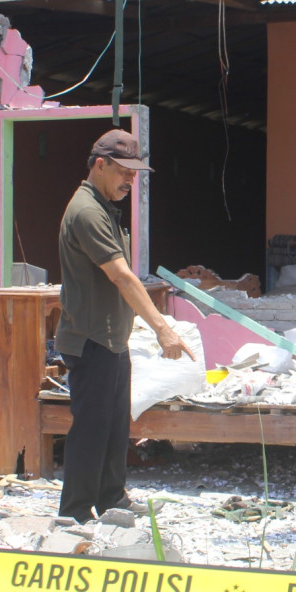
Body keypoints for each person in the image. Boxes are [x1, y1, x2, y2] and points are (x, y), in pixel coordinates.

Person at [54, 128, 195, 523]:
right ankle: (76, 512)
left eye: (135, 175)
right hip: (91, 339)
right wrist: (162, 328)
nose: (130, 182)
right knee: (92, 427)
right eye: (124, 173)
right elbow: (121, 276)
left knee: (116, 425)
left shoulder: (105, 209)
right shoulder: (86, 211)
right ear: (100, 165)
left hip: (112, 338)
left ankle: (111, 499)